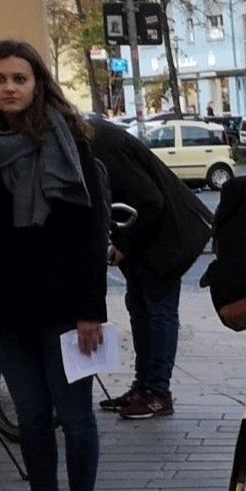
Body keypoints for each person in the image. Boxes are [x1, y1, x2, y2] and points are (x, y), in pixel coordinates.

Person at [0, 40, 108, 491]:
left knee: (76, 415)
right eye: (0, 79)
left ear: (38, 82)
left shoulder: (70, 141)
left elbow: (92, 229)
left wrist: (93, 309)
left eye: (20, 78)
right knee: (33, 417)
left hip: (68, 308)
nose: (10, 88)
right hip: (8, 307)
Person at [85, 114, 212, 420]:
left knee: (157, 312)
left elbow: (149, 200)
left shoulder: (99, 145)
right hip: (154, 239)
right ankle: (144, 387)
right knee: (141, 309)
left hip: (168, 238)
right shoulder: (95, 138)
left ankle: (157, 393)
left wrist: (125, 245)